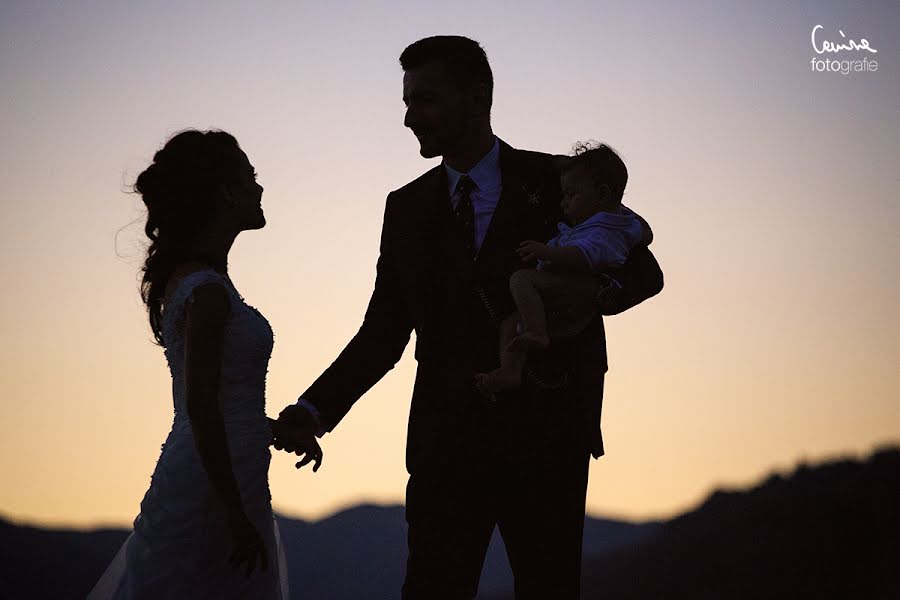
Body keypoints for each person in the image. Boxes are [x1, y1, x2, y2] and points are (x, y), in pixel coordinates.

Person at [274, 36, 663, 599]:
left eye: (425, 100)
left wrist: (592, 296)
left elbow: (645, 272)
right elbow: (383, 332)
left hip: (549, 436)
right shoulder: (403, 208)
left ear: (477, 96)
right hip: (445, 443)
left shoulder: (558, 180)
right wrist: (312, 410)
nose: (410, 119)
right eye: (407, 103)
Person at [88, 129, 320, 599]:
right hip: (215, 487)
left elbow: (225, 404)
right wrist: (233, 513)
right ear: (226, 192)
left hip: (229, 472)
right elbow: (201, 406)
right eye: (250, 176)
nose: (259, 188)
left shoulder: (202, 283)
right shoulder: (208, 292)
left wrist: (273, 429)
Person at [473, 141, 645, 397]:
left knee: (521, 279)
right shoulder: (591, 222)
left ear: (602, 194)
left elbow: (588, 256)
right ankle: (510, 371)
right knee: (510, 325)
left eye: (571, 195)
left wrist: (548, 254)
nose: (563, 204)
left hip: (566, 378)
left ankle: (536, 331)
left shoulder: (605, 229)